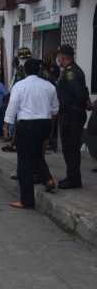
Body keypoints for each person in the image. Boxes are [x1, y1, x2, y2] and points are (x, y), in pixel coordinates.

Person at [4, 59, 59, 209]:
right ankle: (48, 179)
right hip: (45, 124)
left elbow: (12, 106)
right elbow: (55, 109)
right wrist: (50, 129)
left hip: (27, 125)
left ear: (25, 71)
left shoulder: (20, 85)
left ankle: (26, 200)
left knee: (24, 162)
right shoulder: (49, 86)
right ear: (39, 70)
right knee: (37, 154)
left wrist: (7, 126)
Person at [56, 45, 91, 189]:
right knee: (70, 148)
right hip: (72, 114)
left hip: (72, 115)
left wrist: (83, 103)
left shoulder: (70, 72)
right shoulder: (73, 70)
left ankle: (74, 179)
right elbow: (83, 91)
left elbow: (79, 93)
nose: (58, 59)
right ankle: (72, 177)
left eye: (59, 56)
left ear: (64, 57)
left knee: (70, 148)